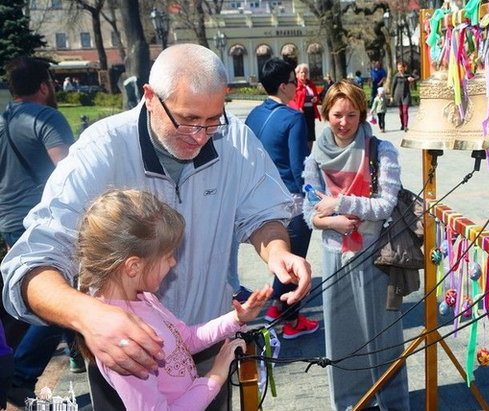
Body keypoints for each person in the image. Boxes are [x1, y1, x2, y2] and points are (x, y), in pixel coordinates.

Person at [1, 44, 311, 410]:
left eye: (213, 120)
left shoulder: (235, 140)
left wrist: (277, 250)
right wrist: (89, 316)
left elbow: (263, 216)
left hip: (207, 346)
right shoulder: (101, 150)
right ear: (150, 97)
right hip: (128, 362)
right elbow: (31, 265)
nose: (200, 135)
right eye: (188, 120)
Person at [75, 188, 272, 410]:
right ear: (134, 266)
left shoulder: (144, 298)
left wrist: (236, 318)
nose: (173, 263)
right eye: (168, 256)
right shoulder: (123, 340)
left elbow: (185, 339)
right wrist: (214, 377)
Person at [302, 79, 410, 410]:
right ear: (325, 114)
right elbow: (309, 210)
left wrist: (339, 204)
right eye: (337, 114)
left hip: (375, 254)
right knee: (342, 337)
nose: (344, 122)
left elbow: (385, 204)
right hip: (335, 254)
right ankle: (350, 403)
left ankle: (391, 402)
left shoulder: (381, 150)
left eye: (352, 115)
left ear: (362, 114)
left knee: (383, 336)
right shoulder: (317, 154)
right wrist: (329, 221)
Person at [0, 56, 80, 406]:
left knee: (43, 292)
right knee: (53, 300)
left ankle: (80, 353)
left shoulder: (3, 120)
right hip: (43, 222)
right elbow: (67, 172)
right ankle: (22, 373)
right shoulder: (46, 117)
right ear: (45, 85)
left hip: (9, 219)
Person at [245, 58, 319, 339]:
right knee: (294, 260)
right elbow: (298, 164)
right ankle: (290, 318)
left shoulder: (253, 115)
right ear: (284, 86)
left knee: (281, 258)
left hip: (259, 196)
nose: (297, 85)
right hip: (290, 199)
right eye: (293, 80)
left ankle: (278, 309)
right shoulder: (293, 117)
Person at [288, 63, 321, 149]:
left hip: (310, 112)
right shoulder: (295, 85)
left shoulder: (310, 84)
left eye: (306, 72)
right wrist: (297, 108)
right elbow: (291, 99)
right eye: (302, 72)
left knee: (310, 135)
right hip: (299, 113)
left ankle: (308, 154)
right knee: (301, 134)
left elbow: (316, 96)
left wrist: (315, 99)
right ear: (297, 74)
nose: (304, 74)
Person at [390, 61, 415, 132]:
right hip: (398, 96)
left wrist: (412, 79)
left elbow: (417, 77)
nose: (400, 69)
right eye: (398, 68)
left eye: (401, 67)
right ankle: (402, 124)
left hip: (406, 95)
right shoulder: (396, 76)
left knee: (405, 111)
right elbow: (393, 87)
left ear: (404, 68)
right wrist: (391, 96)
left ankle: (405, 126)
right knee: (401, 112)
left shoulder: (407, 76)